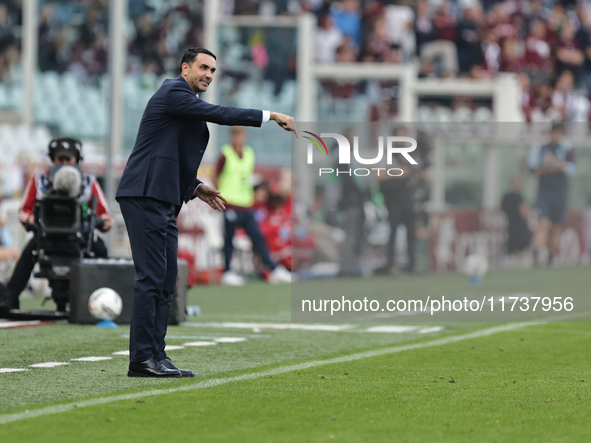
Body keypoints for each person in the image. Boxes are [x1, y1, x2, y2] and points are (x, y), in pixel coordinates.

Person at [116, 47, 296, 379]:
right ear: (185, 68)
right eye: (203, 67)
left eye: (213, 70)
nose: (209, 75)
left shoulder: (186, 106)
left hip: (164, 197)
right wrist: (270, 115)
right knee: (152, 277)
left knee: (167, 280)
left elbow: (169, 152)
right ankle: (141, 358)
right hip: (145, 193)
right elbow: (222, 113)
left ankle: (157, 354)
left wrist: (197, 187)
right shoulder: (174, 91)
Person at [0, 137, 113, 312]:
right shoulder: (39, 181)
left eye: (68, 159)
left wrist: (103, 221)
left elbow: (104, 215)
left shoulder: (89, 183)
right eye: (60, 159)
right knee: (28, 252)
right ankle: (10, 298)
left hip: (80, 238)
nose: (64, 163)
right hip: (46, 236)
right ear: (53, 159)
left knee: (101, 251)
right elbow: (24, 211)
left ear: (77, 160)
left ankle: (106, 298)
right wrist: (30, 219)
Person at [214, 126, 291, 286]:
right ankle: (227, 272)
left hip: (246, 204)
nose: (238, 138)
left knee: (257, 237)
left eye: (241, 134)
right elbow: (216, 176)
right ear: (231, 136)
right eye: (235, 134)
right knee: (228, 239)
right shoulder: (225, 153)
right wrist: (219, 196)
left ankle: (272, 269)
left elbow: (248, 177)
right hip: (230, 203)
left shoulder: (249, 154)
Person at [528, 123, 576, 266]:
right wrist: (552, 168)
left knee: (556, 225)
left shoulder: (567, 148)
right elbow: (533, 169)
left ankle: (550, 256)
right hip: (544, 191)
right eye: (554, 133)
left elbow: (572, 168)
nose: (556, 136)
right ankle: (537, 252)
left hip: (560, 191)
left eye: (559, 133)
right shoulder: (540, 147)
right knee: (543, 221)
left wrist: (556, 164)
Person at [501, 177, 532, 265]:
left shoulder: (506, 196)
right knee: (520, 249)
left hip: (510, 226)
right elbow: (525, 213)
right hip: (520, 227)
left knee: (512, 250)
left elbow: (502, 209)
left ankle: (514, 264)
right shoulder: (519, 197)